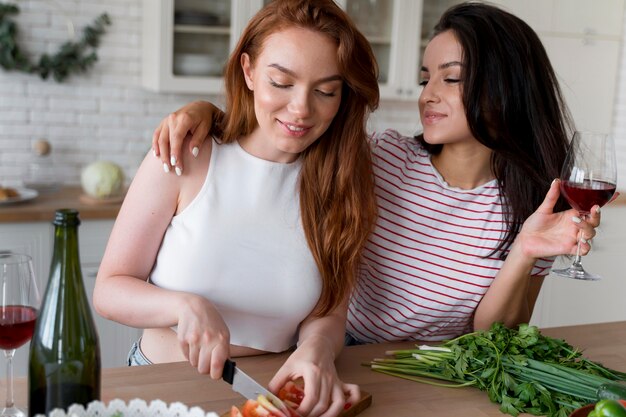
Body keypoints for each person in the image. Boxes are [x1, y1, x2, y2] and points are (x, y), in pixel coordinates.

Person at [150, 3, 601, 344]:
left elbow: (494, 332)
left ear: (508, 88)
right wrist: (207, 112)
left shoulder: (535, 207)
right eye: (427, 78)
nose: (428, 94)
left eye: (451, 78)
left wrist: (524, 250)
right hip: (331, 351)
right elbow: (283, 134)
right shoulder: (381, 157)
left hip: (433, 372)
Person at [93, 1, 379, 416]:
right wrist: (184, 305)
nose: (301, 108)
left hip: (273, 394)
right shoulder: (185, 154)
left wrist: (317, 348)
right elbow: (109, 288)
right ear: (248, 71)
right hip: (162, 383)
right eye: (281, 82)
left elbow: (329, 314)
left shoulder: (342, 184)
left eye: (325, 91)